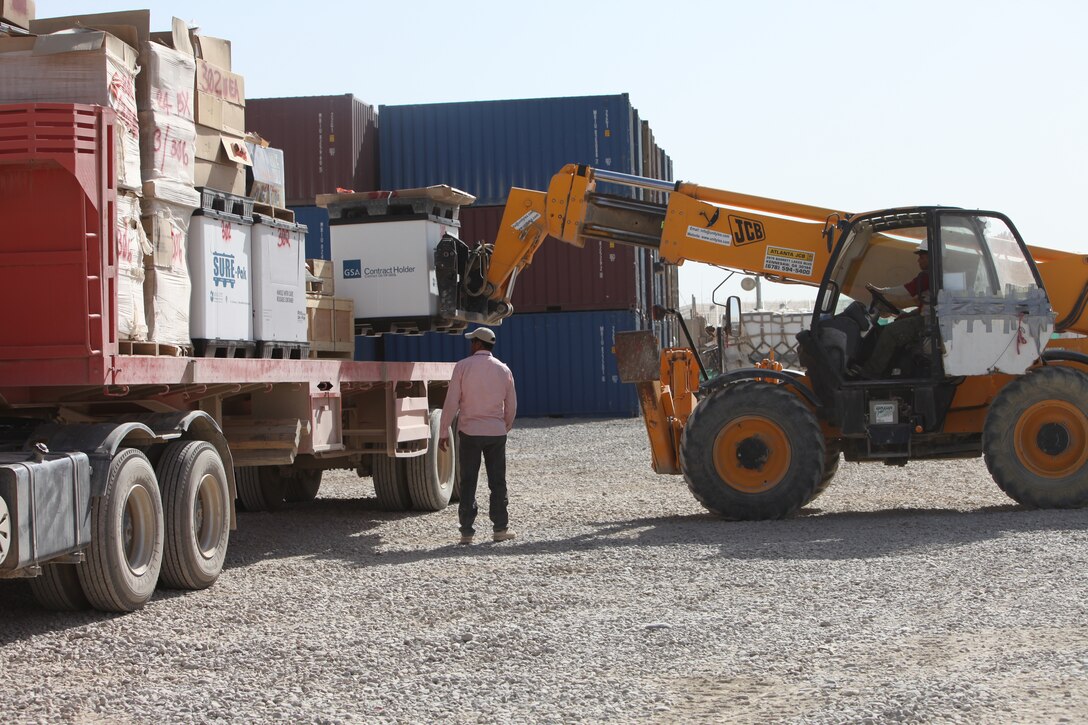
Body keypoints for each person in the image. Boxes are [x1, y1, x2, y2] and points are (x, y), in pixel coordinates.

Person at [439, 327, 518, 545]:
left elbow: (451, 401)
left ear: (476, 344)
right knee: (497, 481)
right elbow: (511, 405)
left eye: (471, 341)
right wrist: (505, 426)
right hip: (495, 433)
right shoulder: (504, 370)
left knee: (468, 481)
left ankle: (466, 532)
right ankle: (500, 529)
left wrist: (444, 429)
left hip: (470, 433)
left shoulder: (463, 367)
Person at [856, 240, 931, 378]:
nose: (918, 261)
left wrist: (882, 290)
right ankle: (891, 368)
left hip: (928, 321)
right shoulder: (935, 275)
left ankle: (871, 372)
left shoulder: (927, 276)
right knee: (900, 318)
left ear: (931, 256)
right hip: (928, 317)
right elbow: (922, 305)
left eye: (921, 257)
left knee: (890, 332)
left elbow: (907, 290)